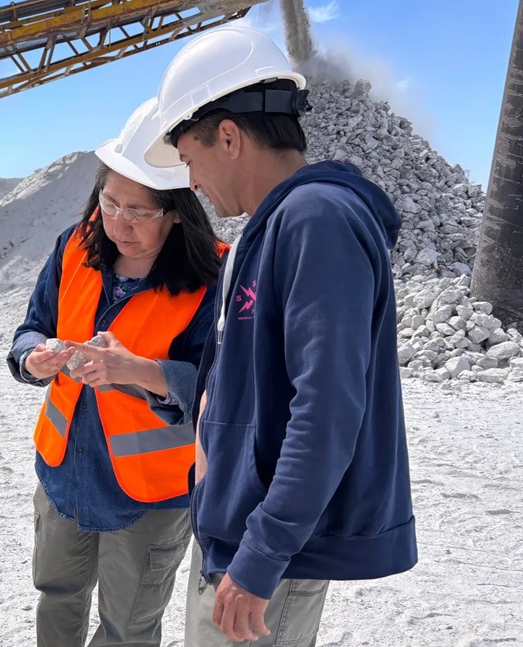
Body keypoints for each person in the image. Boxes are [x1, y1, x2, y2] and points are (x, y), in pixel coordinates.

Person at [141, 26, 418, 646]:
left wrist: (261, 555)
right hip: (238, 533)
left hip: (263, 551)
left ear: (230, 137)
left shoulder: (315, 220)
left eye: (189, 158)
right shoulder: (268, 231)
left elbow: (325, 408)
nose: (190, 182)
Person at [7, 97, 225, 647]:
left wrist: (140, 371)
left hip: (148, 496)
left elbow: (221, 385)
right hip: (63, 471)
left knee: (127, 629)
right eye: (110, 203)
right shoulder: (75, 246)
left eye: (140, 212)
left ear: (176, 211)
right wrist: (33, 357)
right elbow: (31, 328)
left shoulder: (212, 276)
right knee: (57, 595)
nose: (119, 224)